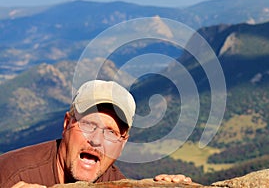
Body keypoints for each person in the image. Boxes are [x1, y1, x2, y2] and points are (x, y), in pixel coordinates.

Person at [0, 80, 192, 187]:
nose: (97, 140)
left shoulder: (118, 184)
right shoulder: (11, 175)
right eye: (89, 125)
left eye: (111, 132)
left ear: (123, 143)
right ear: (67, 123)